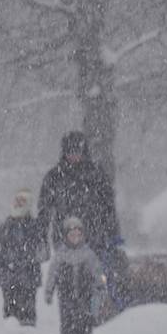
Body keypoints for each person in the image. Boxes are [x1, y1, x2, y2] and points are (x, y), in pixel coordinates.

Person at [37, 130, 128, 309]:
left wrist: (113, 234)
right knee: (66, 283)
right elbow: (44, 210)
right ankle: (69, 315)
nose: (74, 156)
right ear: (64, 152)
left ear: (84, 151)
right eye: (70, 152)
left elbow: (108, 208)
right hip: (64, 241)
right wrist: (42, 237)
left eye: (77, 151)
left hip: (93, 238)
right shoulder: (54, 177)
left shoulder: (96, 175)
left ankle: (93, 313)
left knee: (92, 279)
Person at [44, 216, 107, 334]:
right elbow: (52, 274)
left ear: (83, 236)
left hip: (84, 292)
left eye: (78, 235)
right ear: (66, 236)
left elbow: (98, 272)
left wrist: (101, 285)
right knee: (67, 316)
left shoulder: (88, 254)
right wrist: (49, 291)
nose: (75, 238)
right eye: (72, 235)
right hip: (65, 293)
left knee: (85, 316)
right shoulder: (61, 255)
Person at [0, 189, 47, 325]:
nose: (18, 204)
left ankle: (28, 333)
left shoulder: (35, 226)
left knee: (28, 314)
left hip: (29, 278)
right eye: (17, 201)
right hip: (8, 278)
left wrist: (27, 260)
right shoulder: (6, 226)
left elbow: (44, 252)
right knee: (10, 314)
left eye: (22, 201)